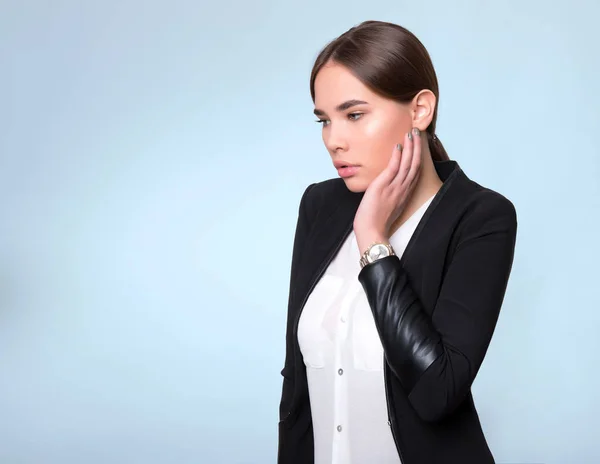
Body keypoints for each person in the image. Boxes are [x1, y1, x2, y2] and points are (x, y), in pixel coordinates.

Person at [277, 20, 518, 464]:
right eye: (324, 121)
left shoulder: (481, 218)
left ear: (420, 110)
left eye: (354, 114)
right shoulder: (320, 205)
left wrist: (372, 239)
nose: (333, 140)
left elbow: (436, 392)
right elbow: (296, 385)